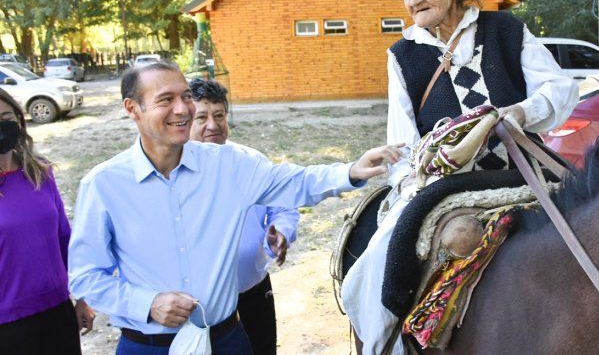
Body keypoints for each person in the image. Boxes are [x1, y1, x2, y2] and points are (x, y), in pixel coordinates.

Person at [340, 0, 579, 354]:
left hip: (522, 168)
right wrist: (419, 172)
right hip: (445, 182)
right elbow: (402, 142)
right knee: (380, 262)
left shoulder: (504, 30)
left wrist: (521, 112)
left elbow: (561, 90)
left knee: (596, 220)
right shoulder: (403, 55)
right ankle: (392, 343)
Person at [68, 61, 402, 354]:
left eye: (185, 96)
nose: (182, 109)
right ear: (133, 108)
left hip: (225, 341)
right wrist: (147, 304)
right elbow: (86, 276)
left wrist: (350, 171)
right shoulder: (104, 185)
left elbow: (292, 181)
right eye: (166, 100)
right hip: (148, 347)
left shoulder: (227, 164)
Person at [188, 78, 297, 354]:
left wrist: (282, 232)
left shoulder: (252, 162)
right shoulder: (174, 171)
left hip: (253, 293)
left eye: (219, 115)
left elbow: (283, 206)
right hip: (200, 306)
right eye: (201, 117)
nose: (212, 125)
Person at [0, 89, 95, 354]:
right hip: (6, 326)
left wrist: (81, 298)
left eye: (6, 117)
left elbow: (65, 238)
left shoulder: (40, 174)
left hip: (57, 312)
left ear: (19, 122)